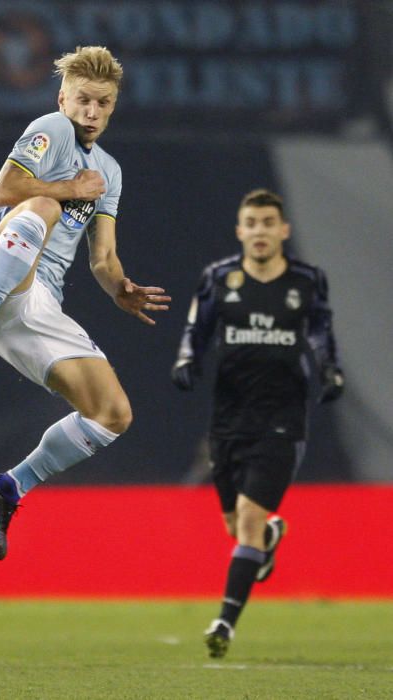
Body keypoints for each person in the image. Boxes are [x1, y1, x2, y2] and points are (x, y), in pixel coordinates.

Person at [0, 46, 170, 560]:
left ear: (113, 107)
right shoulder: (52, 129)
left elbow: (102, 258)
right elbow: (4, 190)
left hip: (35, 303)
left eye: (104, 104)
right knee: (42, 203)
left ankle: (8, 486)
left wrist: (120, 288)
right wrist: (70, 188)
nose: (92, 113)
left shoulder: (109, 173)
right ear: (63, 99)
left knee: (112, 414)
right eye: (84, 101)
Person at [170, 188, 344, 658]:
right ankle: (269, 538)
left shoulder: (307, 280)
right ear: (240, 231)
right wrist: (187, 359)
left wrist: (330, 369)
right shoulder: (219, 277)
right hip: (229, 417)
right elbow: (196, 328)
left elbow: (321, 330)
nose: (261, 231)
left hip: (284, 416)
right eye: (253, 222)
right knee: (236, 525)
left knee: (246, 518)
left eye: (269, 222)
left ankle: (224, 623)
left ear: (283, 230)